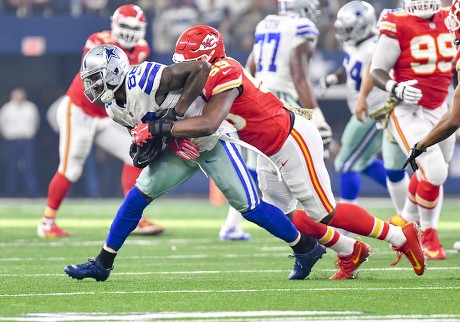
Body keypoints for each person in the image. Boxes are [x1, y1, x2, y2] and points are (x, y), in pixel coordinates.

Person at [132, 25, 425, 280]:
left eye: (190, 62)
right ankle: (350, 250)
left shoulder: (224, 71)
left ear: (207, 58)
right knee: (285, 216)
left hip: (290, 139)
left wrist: (160, 129)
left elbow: (209, 123)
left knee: (325, 212)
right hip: (266, 148)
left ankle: (400, 235)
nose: (185, 69)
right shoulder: (212, 72)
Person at [64, 44, 328, 282]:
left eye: (97, 80)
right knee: (137, 197)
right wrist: (155, 143)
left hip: (211, 139)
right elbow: (146, 134)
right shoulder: (114, 109)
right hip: (182, 148)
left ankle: (306, 248)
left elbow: (201, 68)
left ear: (114, 72)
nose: (94, 88)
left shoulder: (144, 78)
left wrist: (175, 117)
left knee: (250, 207)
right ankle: (102, 263)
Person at [37, 4, 164, 238]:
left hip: (105, 115)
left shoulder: (142, 48)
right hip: (79, 110)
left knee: (133, 156)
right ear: (114, 24)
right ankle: (47, 223)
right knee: (70, 168)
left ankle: (134, 218)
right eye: (124, 25)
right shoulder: (98, 42)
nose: (128, 31)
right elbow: (95, 86)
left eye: (133, 27)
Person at [219, 0, 332, 242]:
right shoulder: (302, 27)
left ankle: (232, 223)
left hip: (257, 95)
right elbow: (299, 74)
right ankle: (327, 221)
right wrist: (317, 115)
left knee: (256, 164)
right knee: (308, 163)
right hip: (282, 101)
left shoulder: (265, 24)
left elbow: (249, 67)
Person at [370, 0, 456, 260]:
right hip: (408, 109)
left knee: (435, 171)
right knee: (436, 171)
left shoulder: (450, 18)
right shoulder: (397, 22)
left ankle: (406, 218)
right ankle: (428, 235)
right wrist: (395, 87)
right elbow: (377, 71)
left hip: (442, 105)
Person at [320, 2, 408, 213]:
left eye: (348, 29)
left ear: (362, 25)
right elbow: (351, 68)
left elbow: (373, 72)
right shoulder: (355, 44)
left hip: (374, 110)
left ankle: (349, 217)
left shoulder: (377, 44)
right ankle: (410, 199)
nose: (344, 34)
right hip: (364, 110)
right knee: (364, 162)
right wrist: (334, 77)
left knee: (345, 162)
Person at [403, 0, 460, 251]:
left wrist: (421, 145)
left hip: (432, 112)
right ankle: (407, 218)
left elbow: (453, 119)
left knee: (435, 170)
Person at [0, 87, 40, 198]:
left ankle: (32, 193)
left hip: (27, 140)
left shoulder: (31, 108)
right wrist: (7, 135)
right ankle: (11, 193)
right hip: (12, 141)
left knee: (29, 167)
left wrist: (30, 133)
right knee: (11, 167)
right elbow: (2, 124)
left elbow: (35, 122)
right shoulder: (6, 109)